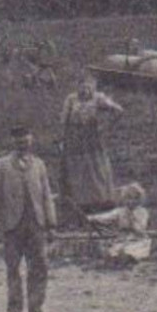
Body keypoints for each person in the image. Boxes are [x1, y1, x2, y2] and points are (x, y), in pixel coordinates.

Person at [0, 125, 57, 312]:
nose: (22, 144)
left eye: (25, 140)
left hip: (36, 224)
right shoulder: (3, 164)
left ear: (31, 141)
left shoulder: (39, 165)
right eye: (18, 141)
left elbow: (46, 196)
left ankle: (36, 309)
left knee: (39, 266)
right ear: (12, 143)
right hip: (12, 225)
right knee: (13, 268)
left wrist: (51, 223)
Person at [60, 74, 125, 217]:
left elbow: (118, 110)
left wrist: (106, 127)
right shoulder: (71, 99)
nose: (85, 90)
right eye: (82, 86)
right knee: (77, 167)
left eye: (88, 87)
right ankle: (81, 201)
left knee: (96, 167)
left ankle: (101, 199)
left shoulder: (98, 98)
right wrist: (63, 139)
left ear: (93, 88)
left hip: (92, 137)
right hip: (75, 138)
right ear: (77, 87)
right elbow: (64, 121)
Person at [86, 183, 152, 265]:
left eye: (135, 198)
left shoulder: (142, 212)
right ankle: (115, 258)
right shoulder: (120, 211)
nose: (131, 201)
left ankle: (128, 257)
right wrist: (92, 218)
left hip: (138, 239)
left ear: (139, 200)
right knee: (113, 250)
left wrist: (132, 220)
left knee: (131, 251)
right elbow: (106, 217)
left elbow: (140, 229)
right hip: (123, 239)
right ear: (124, 199)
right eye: (128, 198)